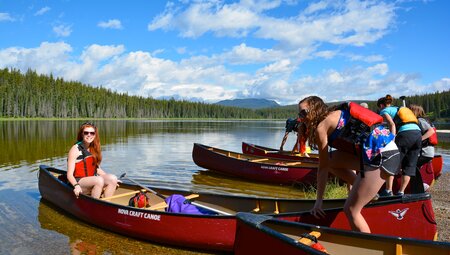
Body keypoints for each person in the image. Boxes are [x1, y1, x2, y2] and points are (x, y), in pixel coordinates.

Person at [298, 96, 400, 233]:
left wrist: (319, 201)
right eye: (299, 114)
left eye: (303, 113)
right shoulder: (334, 114)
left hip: (381, 156)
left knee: (351, 210)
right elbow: (327, 163)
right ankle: (365, 191)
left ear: (315, 109)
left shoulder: (321, 128)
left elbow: (322, 168)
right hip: (382, 153)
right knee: (331, 160)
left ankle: (367, 248)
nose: (301, 117)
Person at [377, 95, 422, 196]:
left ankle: (388, 191)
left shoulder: (384, 111)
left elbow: (392, 124)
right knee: (410, 165)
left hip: (405, 134)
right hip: (417, 134)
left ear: (381, 105)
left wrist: (391, 139)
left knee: (392, 162)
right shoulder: (399, 108)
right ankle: (401, 192)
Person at [67, 122, 119, 199]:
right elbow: (69, 175)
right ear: (82, 134)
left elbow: (97, 168)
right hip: (78, 181)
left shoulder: (94, 148)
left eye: (92, 133)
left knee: (113, 178)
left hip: (93, 179)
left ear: (95, 135)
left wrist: (111, 180)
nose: (89, 135)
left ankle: (106, 204)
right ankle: (95, 205)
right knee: (99, 180)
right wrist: (76, 186)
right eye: (86, 133)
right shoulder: (75, 149)